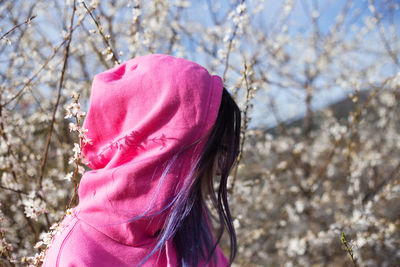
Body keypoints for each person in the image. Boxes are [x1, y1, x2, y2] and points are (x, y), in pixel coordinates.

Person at [43, 53, 241, 267]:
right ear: (163, 155)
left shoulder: (190, 228)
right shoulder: (76, 256)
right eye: (219, 152)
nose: (221, 171)